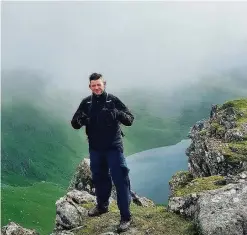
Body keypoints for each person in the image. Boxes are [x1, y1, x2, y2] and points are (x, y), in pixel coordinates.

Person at [71, 73, 134, 232]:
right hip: (95, 149)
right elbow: (75, 123)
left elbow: (130, 119)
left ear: (104, 84)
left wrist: (117, 114)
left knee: (120, 179)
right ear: (90, 86)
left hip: (114, 148)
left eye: (99, 84)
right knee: (99, 178)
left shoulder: (113, 100)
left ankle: (126, 217)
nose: (97, 88)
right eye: (93, 85)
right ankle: (102, 206)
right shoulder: (86, 103)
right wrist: (80, 120)